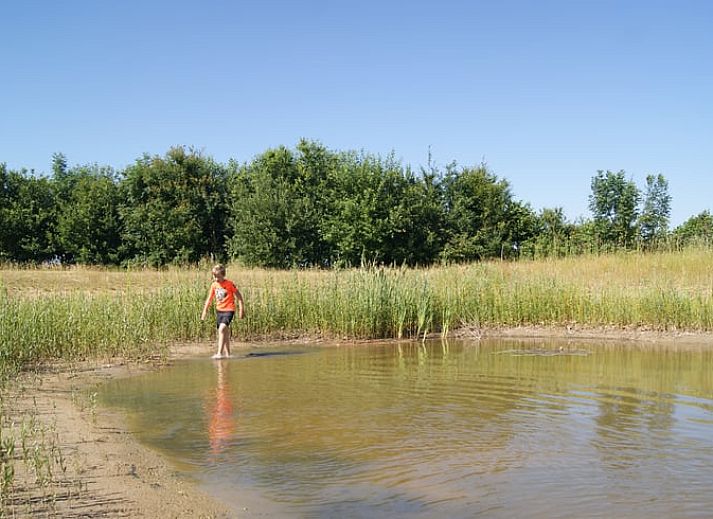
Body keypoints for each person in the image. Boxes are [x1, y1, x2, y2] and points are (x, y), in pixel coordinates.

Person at [200, 264, 245, 359]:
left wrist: (241, 309)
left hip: (229, 310)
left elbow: (239, 297)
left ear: (222, 275)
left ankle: (219, 353)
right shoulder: (214, 285)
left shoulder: (229, 284)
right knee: (225, 332)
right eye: (213, 275)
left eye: (216, 276)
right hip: (219, 311)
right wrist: (204, 311)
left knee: (221, 329)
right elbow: (209, 299)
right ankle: (228, 354)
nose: (215, 278)